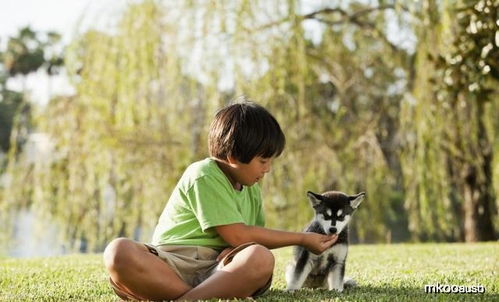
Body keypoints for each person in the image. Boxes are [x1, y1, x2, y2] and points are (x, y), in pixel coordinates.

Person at [103, 98, 338, 301]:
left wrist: (234, 250)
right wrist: (302, 239)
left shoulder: (252, 189)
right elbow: (237, 234)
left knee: (260, 258)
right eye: (263, 161)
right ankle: (199, 296)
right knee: (118, 251)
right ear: (234, 156)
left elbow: (248, 241)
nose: (268, 169)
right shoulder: (203, 174)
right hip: (172, 264)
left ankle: (187, 298)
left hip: (219, 270)